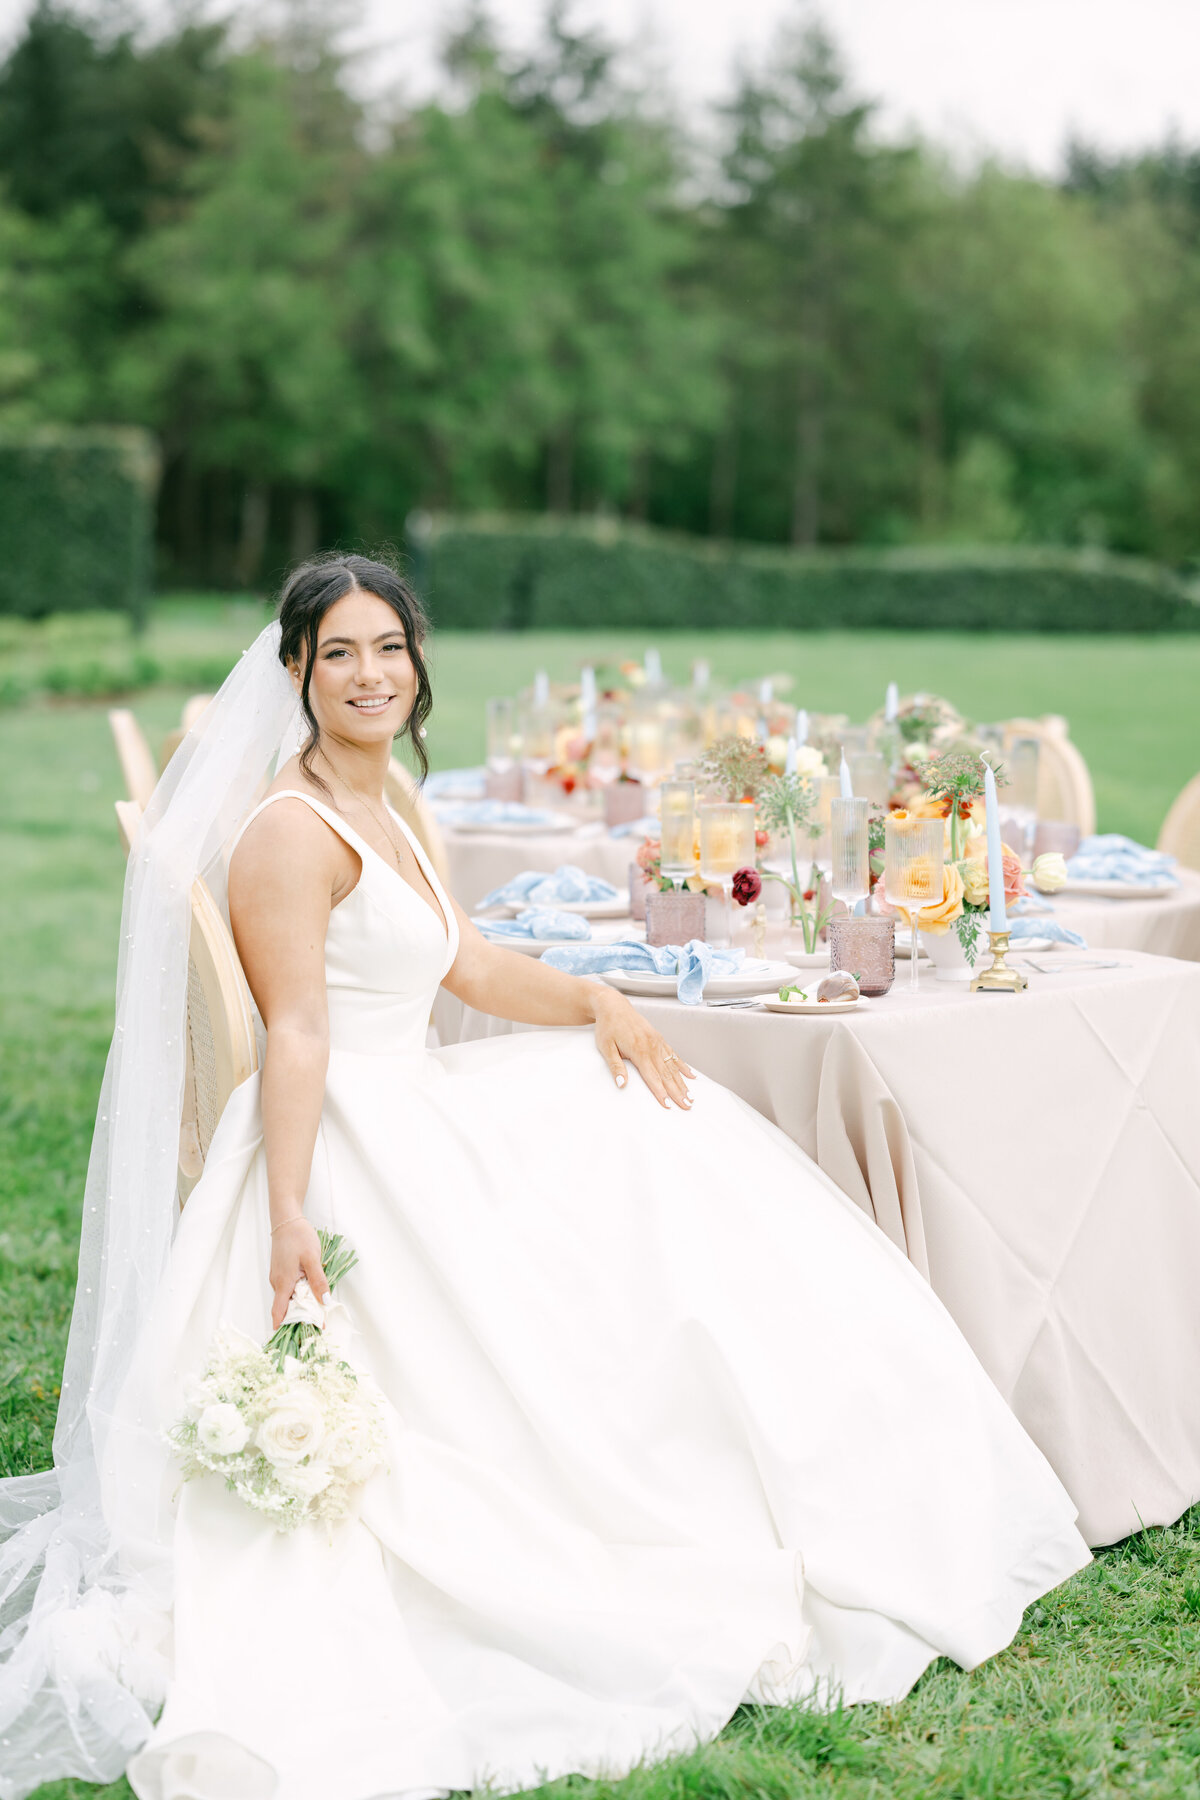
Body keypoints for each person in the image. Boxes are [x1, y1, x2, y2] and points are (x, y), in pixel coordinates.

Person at [0, 555, 1090, 1800]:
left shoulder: (386, 798)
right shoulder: (289, 835)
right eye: (339, 654)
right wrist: (290, 1212)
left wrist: (591, 998)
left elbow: (462, 966)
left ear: (419, 665)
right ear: (296, 672)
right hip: (354, 1132)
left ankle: (794, 1443)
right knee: (634, 1169)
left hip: (417, 1097)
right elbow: (298, 1036)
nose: (369, 675)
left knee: (649, 1121)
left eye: (389, 649)